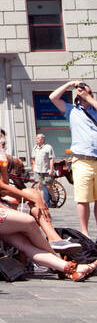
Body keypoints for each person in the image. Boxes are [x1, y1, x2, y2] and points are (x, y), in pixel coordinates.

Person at [0, 139, 96, 282]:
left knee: (23, 243)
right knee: (29, 221)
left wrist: (3, 170)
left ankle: (68, 268)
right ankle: (59, 253)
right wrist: (9, 211)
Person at [48, 79, 97, 237]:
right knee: (83, 198)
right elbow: (53, 97)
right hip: (81, 160)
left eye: (87, 92)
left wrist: (88, 97)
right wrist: (70, 84)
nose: (83, 94)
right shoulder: (72, 110)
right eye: (81, 92)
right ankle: (85, 232)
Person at [33, 134, 55, 206]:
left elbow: (51, 158)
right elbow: (32, 158)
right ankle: (42, 202)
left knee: (48, 186)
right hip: (37, 170)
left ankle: (54, 199)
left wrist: (51, 169)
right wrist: (33, 167)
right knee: (39, 186)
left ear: (42, 140)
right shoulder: (35, 148)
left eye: (39, 138)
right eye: (37, 138)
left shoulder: (48, 147)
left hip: (46, 170)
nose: (37, 140)